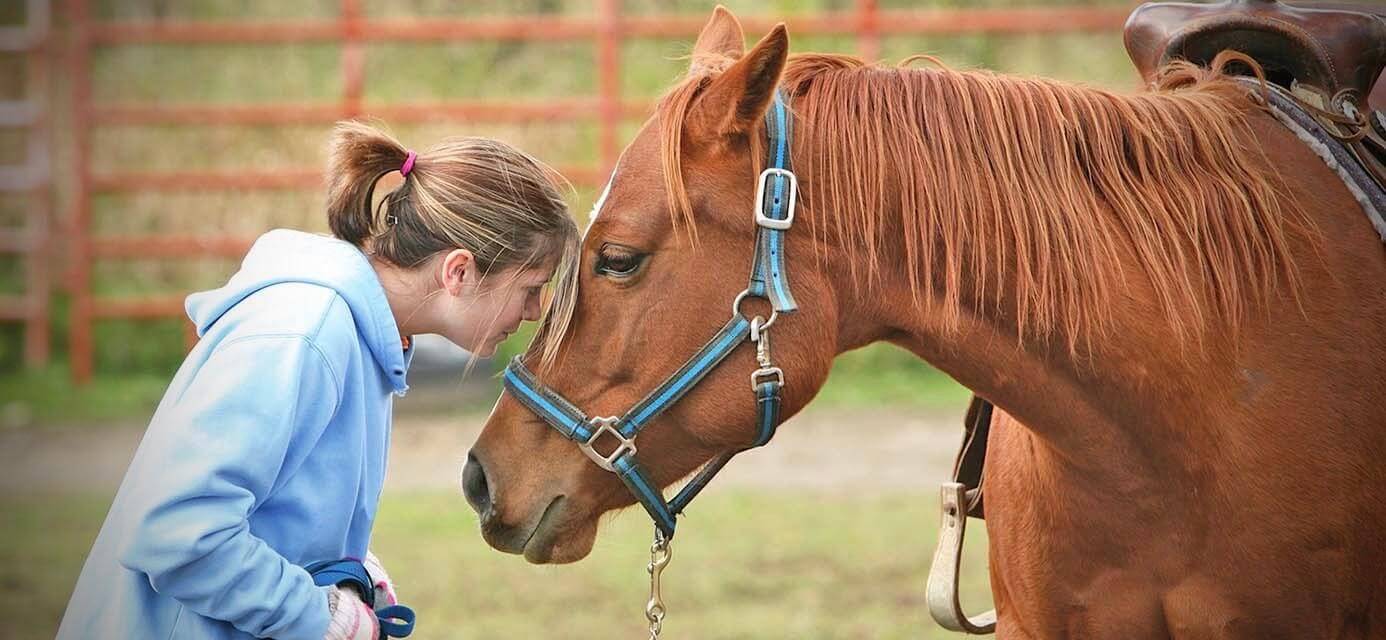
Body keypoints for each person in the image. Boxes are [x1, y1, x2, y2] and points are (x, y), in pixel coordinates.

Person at [56, 121, 579, 640]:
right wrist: (321, 616)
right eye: (531, 287)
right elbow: (176, 529)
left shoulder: (365, 339)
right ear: (459, 271)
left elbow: (277, 506)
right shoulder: (306, 335)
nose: (535, 311)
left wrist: (353, 568)